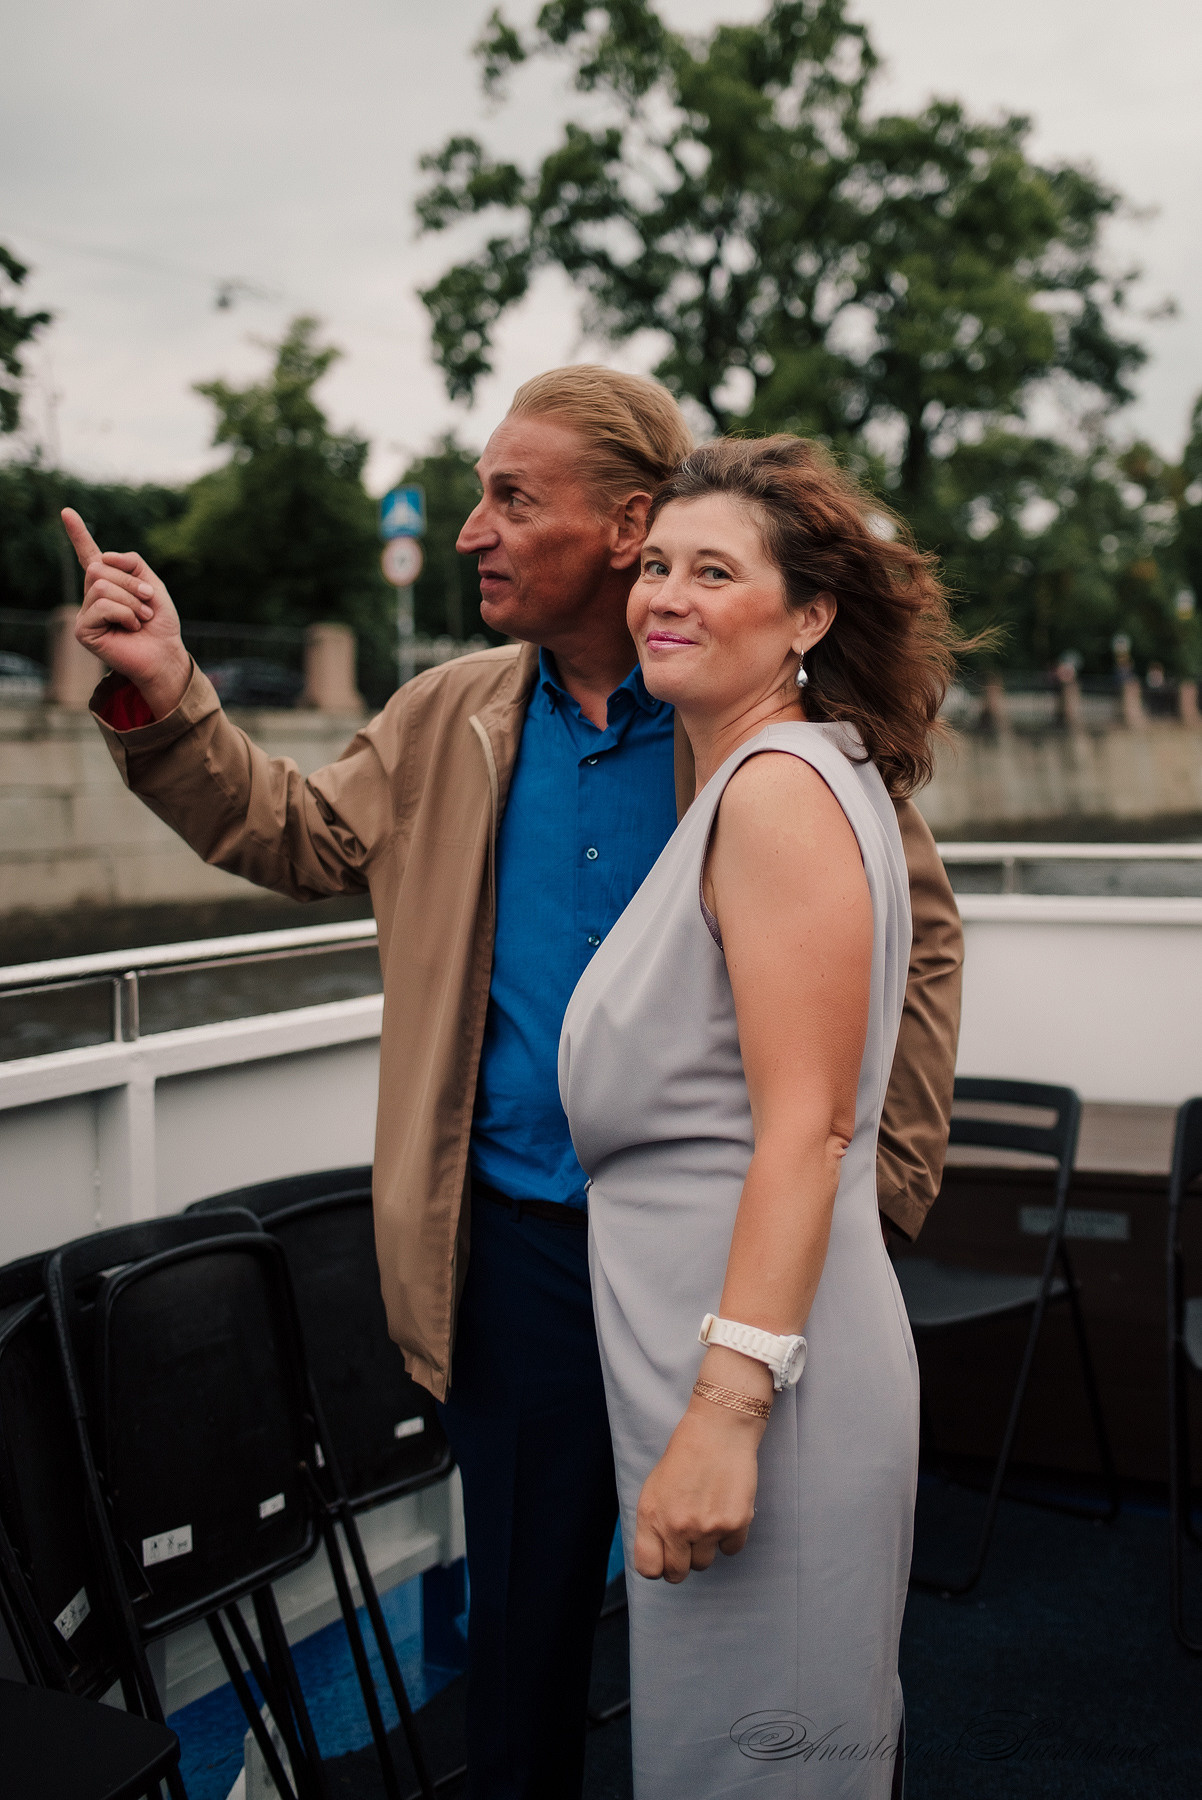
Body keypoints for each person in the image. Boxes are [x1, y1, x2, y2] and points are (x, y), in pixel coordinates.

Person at [61, 367, 962, 1800]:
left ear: (621, 523)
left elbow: (913, 955)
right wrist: (167, 696)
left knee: (752, 1632)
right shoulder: (451, 715)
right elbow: (297, 833)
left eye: (508, 498)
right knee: (523, 1635)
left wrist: (872, 1200)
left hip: (737, 1274)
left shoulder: (751, 726)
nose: (472, 529)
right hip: (522, 1250)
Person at [560, 435, 952, 1798]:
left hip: (761, 1398)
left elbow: (808, 1130)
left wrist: (724, 1418)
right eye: (655, 564)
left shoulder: (778, 794)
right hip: (727, 1371)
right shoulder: (765, 778)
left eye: (712, 571)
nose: (663, 594)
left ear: (807, 616)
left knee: (757, 1769)